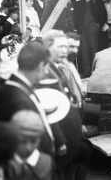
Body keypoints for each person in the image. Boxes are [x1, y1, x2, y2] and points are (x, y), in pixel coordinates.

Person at [42, 29, 90, 180]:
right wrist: (60, 139)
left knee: (76, 169)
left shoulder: (64, 65)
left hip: (73, 127)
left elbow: (76, 94)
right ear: (47, 47)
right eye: (62, 47)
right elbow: (49, 108)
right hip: (62, 134)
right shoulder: (47, 69)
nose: (68, 51)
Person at [0, 42, 57, 156]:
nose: (47, 72)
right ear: (41, 65)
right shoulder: (18, 98)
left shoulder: (18, 88)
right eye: (47, 67)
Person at [6, 110, 55, 180]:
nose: (28, 148)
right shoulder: (3, 164)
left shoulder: (47, 162)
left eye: (34, 141)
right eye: (23, 142)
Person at [71, 0, 107, 78]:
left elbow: (103, 15)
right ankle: (87, 72)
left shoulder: (98, 1)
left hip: (93, 27)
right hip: (82, 28)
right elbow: (75, 15)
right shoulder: (80, 1)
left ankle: (95, 72)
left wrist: (98, 24)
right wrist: (77, 27)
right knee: (84, 50)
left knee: (94, 49)